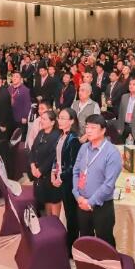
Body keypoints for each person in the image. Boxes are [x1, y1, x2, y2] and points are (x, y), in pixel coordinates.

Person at [72, 114, 122, 246]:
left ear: (103, 130)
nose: (88, 131)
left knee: (104, 242)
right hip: (82, 203)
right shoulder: (84, 148)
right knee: (85, 239)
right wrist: (77, 196)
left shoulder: (112, 153)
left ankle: (107, 261)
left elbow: (109, 184)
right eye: (87, 127)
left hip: (101, 206)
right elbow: (76, 172)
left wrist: (90, 202)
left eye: (93, 127)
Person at [51, 107, 81, 253]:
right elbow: (57, 158)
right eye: (59, 117)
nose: (60, 120)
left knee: (71, 215)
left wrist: (60, 178)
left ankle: (72, 248)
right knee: (66, 212)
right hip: (61, 177)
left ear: (72, 121)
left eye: (63, 118)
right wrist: (53, 173)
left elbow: (74, 166)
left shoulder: (73, 139)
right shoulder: (62, 135)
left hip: (69, 182)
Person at [30, 109, 61, 212]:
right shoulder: (41, 132)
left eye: (44, 119)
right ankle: (47, 218)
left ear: (52, 122)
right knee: (44, 199)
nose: (41, 121)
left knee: (51, 199)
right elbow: (33, 150)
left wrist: (41, 170)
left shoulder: (57, 135)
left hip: (49, 174)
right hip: (37, 171)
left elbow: (53, 156)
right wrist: (32, 166)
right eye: (41, 119)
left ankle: (52, 220)